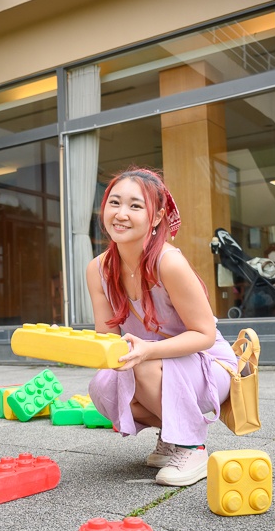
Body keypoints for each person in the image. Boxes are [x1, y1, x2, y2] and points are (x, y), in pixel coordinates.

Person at [86, 167, 238, 487]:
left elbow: (204, 334)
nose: (121, 214)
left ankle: (192, 447)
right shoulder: (97, 269)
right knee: (103, 384)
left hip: (208, 363)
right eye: (114, 203)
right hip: (151, 362)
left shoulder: (168, 262)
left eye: (135, 206)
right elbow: (108, 339)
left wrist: (149, 350)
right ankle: (171, 437)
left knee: (141, 368)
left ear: (155, 218)